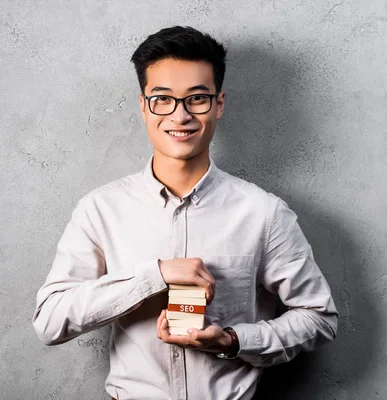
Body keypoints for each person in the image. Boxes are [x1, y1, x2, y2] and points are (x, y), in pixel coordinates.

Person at [32, 26, 338, 400]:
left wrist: (234, 340)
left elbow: (319, 318)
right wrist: (153, 275)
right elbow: (50, 323)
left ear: (219, 104)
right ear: (144, 105)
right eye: (163, 98)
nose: (180, 116)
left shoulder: (264, 213)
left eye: (197, 98)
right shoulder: (100, 209)